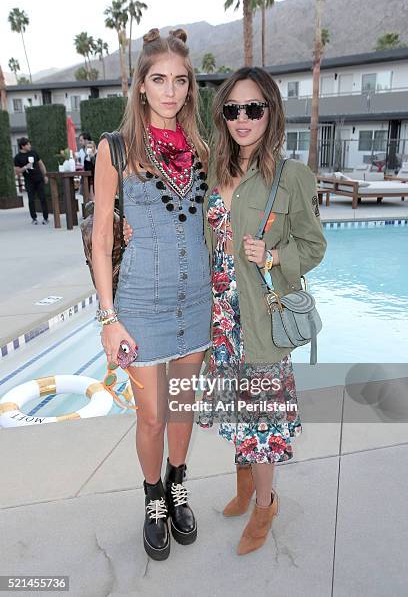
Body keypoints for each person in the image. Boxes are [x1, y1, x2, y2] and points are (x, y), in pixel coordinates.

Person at [91, 28, 211, 561]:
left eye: (179, 81)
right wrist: (108, 316)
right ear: (141, 86)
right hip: (140, 302)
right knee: (153, 416)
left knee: (183, 406)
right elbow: (99, 237)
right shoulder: (114, 150)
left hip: (197, 301)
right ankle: (152, 499)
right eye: (158, 80)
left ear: (189, 89)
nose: (170, 91)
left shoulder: (204, 149)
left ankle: (178, 482)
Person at [198, 66, 327, 555]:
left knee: (263, 421)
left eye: (254, 108)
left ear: (271, 111)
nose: (243, 118)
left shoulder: (290, 176)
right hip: (221, 318)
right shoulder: (215, 170)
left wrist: (273, 257)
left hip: (258, 318)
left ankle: (266, 502)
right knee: (238, 408)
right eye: (233, 109)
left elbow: (314, 246)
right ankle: (245, 484)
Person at [14, 137, 49, 225]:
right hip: (29, 180)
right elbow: (17, 171)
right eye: (28, 144)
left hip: (39, 178)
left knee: (43, 198)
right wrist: (26, 167)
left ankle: (46, 217)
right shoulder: (17, 158)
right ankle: (34, 218)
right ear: (23, 146)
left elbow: (41, 164)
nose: (30, 146)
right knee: (31, 199)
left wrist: (45, 175)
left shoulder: (33, 153)